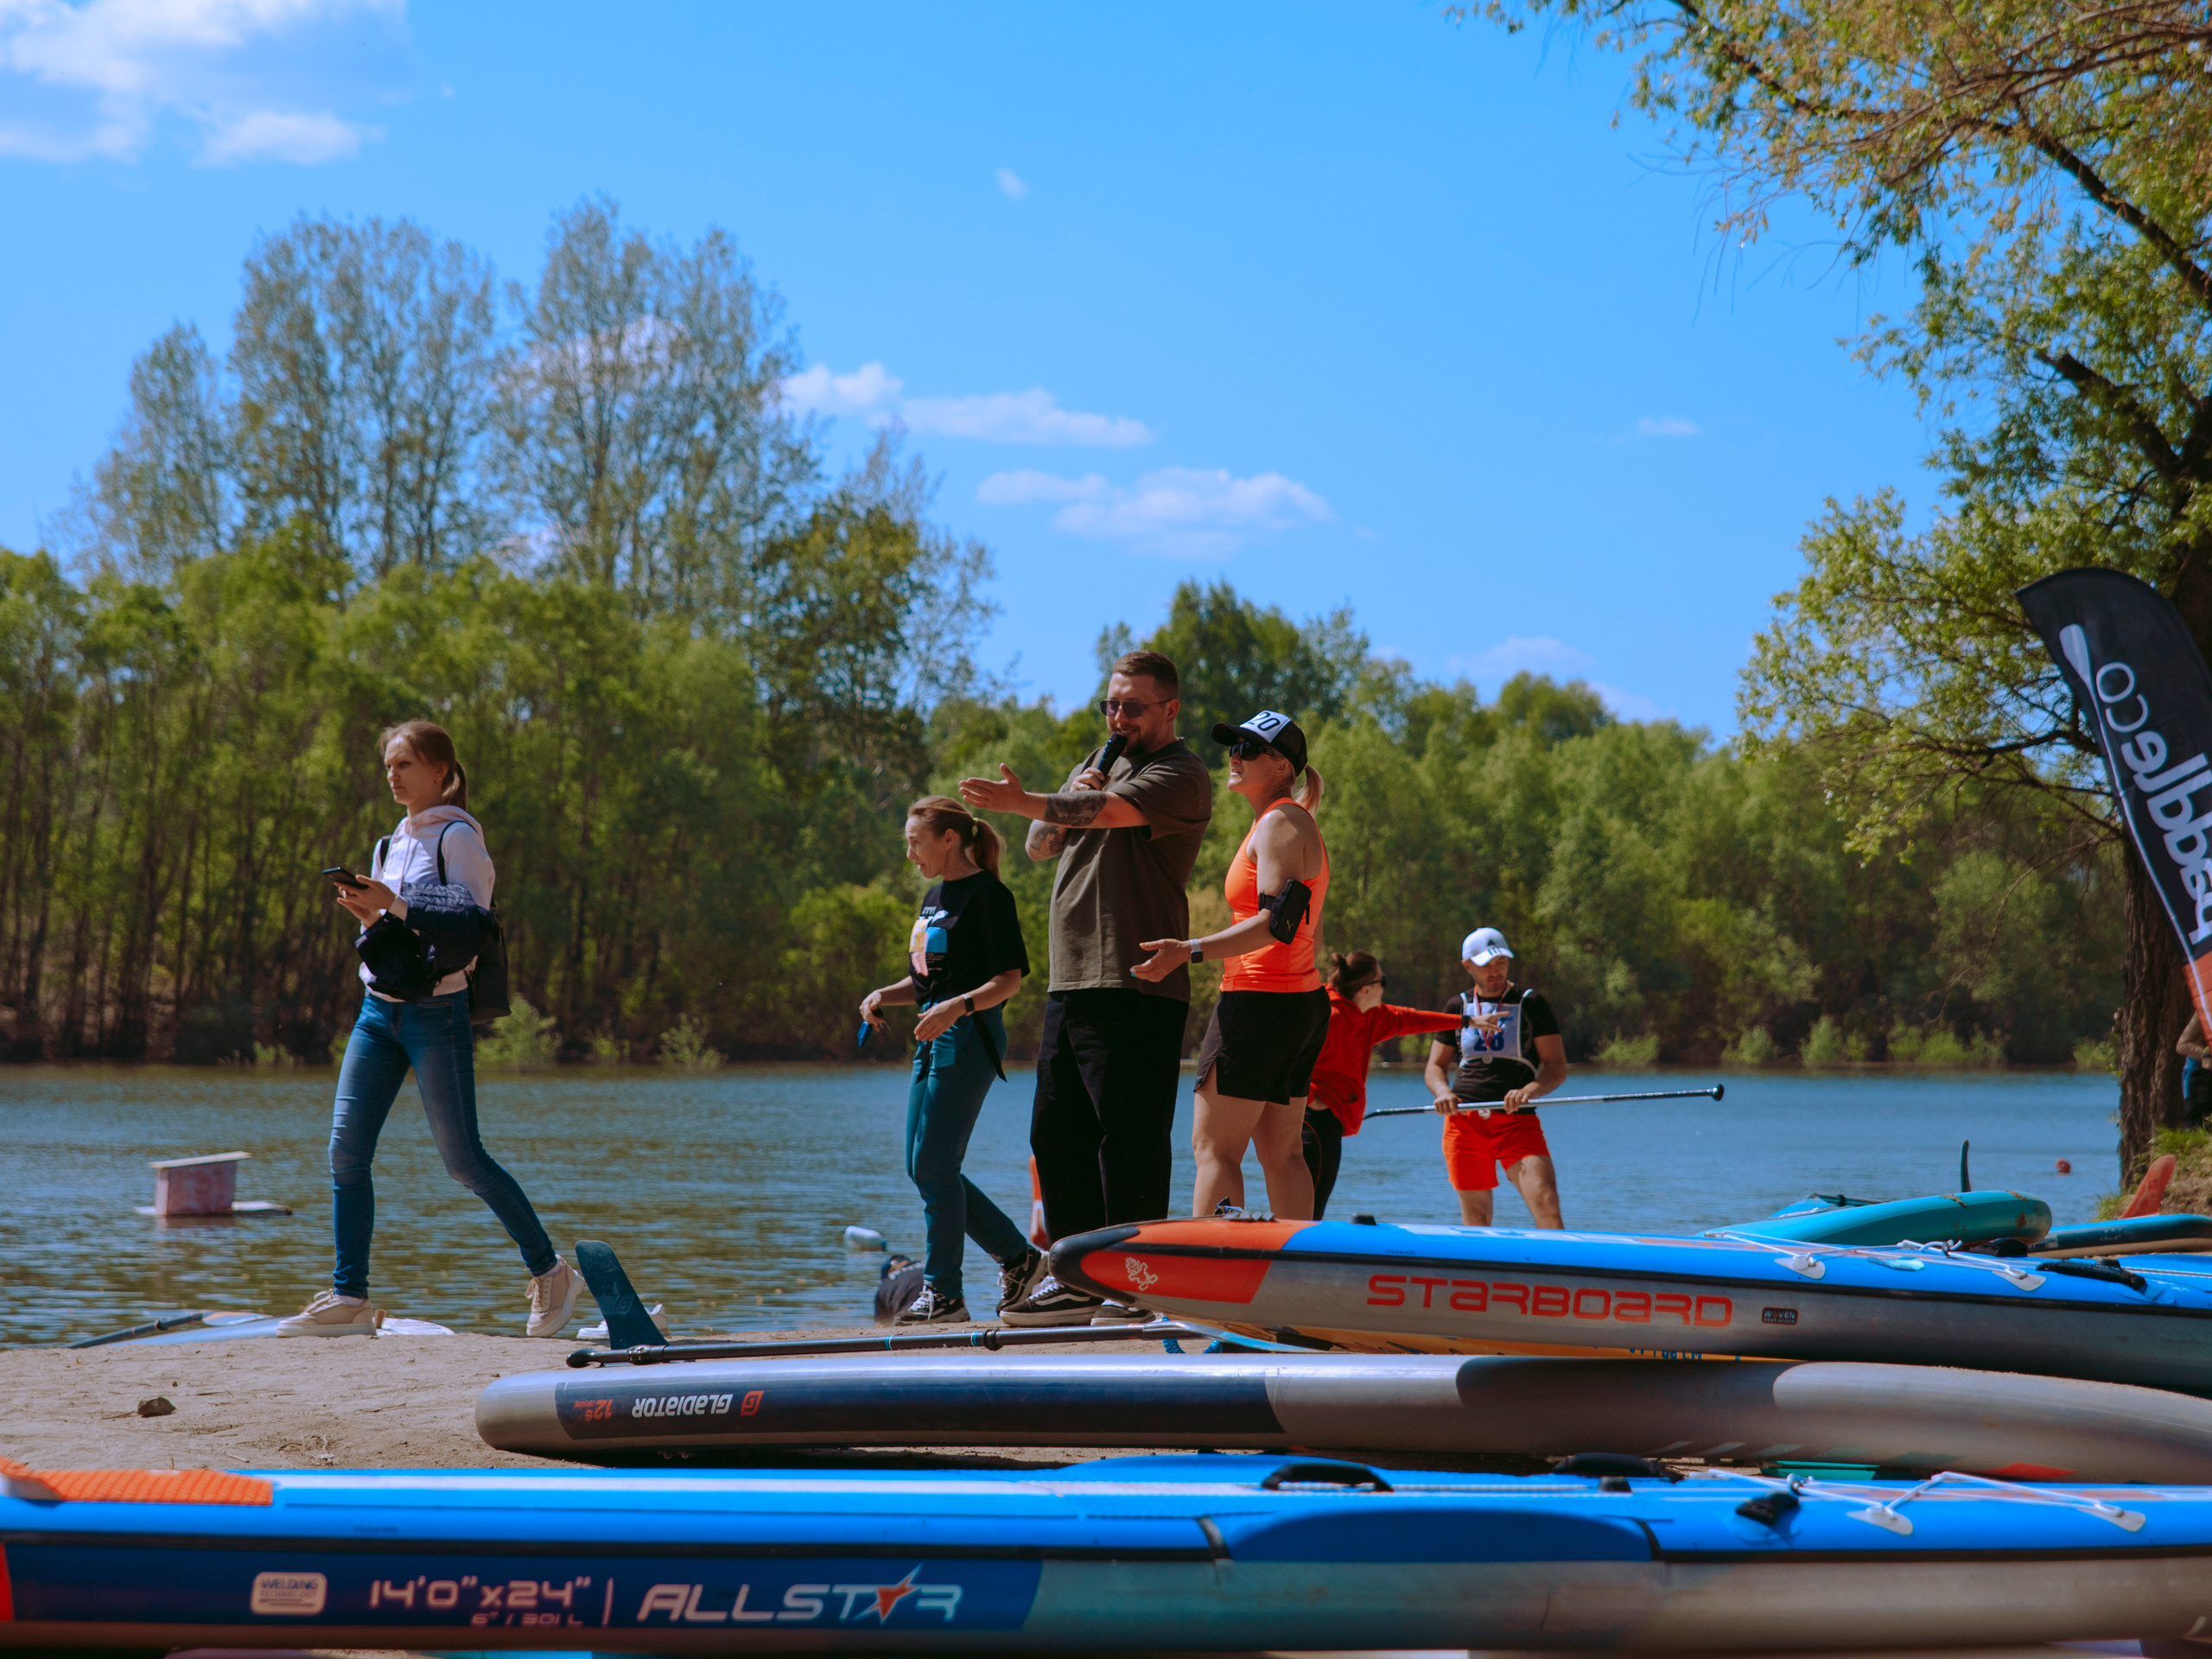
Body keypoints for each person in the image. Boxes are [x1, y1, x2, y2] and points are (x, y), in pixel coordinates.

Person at [279, 721, 581, 1338]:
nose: (392, 775)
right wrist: (368, 914)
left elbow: (469, 924)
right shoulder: (390, 842)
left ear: (441, 772)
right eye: (388, 765)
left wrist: (394, 904)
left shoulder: (460, 837)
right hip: (377, 1012)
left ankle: (552, 1273)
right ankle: (350, 1297)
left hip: (437, 1014)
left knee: (463, 1161)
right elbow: (394, 930)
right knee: (345, 1152)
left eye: (405, 765)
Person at [958, 648, 1212, 1325]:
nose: (1118, 716)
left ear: (1170, 708)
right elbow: (1044, 843)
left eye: (1132, 706)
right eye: (1111, 704)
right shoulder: (1099, 765)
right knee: (1055, 1133)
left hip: (1135, 982)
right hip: (1072, 979)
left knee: (1126, 1139)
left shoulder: (1179, 774)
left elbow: (1100, 817)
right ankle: (1076, 1279)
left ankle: (1134, 1285)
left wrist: (1027, 800)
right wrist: (1058, 795)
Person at [1133, 710, 1329, 1221]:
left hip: (1260, 1005)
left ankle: (1209, 1288)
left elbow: (1275, 926)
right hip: (1296, 1005)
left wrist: (1188, 949)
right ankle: (1293, 1280)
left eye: (1248, 748)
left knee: (1214, 1151)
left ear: (1283, 766)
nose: (1234, 756)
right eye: (1233, 746)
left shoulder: (1282, 822)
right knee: (1280, 1154)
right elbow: (1308, 930)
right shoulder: (1285, 822)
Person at [858, 796, 1042, 1325]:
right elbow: (924, 983)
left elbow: (1008, 979)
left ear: (949, 839)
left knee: (936, 1166)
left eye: (916, 842)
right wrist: (881, 995)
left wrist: (957, 1008)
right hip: (932, 1038)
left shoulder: (989, 895)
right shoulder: (934, 897)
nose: (910, 853)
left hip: (970, 1040)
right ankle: (1020, 1259)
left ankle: (944, 1293)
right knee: (923, 1167)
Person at [1423, 926, 1568, 1228]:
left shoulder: (1532, 1003)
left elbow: (1556, 1067)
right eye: (1486, 964)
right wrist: (1442, 1093)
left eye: (1501, 962)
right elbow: (1435, 1067)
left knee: (1548, 1207)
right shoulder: (1457, 1006)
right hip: (1464, 1125)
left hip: (1517, 1122)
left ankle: (1556, 1272)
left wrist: (1529, 1090)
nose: (1495, 971)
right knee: (1477, 1218)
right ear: (1467, 966)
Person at [1302, 951, 1465, 1219]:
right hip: (1313, 1122)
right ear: (1366, 989)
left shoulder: (1366, 1016)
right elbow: (1291, 1058)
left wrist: (1465, 1022)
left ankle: (1298, 1251)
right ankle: (1289, 1254)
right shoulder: (1331, 1016)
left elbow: (1412, 1019)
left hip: (1330, 1121)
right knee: (1309, 1206)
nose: (1385, 986)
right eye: (1383, 980)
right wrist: (1311, 1101)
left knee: (1314, 1206)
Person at [2179, 1014, 2212, 1126]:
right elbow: (2182, 1045)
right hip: (2202, 1077)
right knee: (2197, 1129)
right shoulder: (2206, 1006)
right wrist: (2207, 1053)